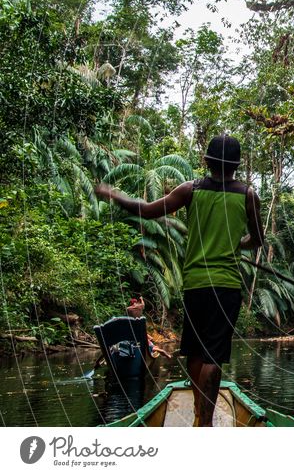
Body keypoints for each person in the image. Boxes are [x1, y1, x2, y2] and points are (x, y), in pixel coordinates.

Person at [95, 135, 264, 426]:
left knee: (196, 352)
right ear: (237, 165)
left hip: (195, 284)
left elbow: (147, 210)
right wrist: (239, 243)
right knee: (214, 355)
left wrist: (114, 194)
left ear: (207, 161)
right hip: (225, 285)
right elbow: (257, 239)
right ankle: (205, 423)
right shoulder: (248, 195)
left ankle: (200, 414)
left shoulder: (190, 190)